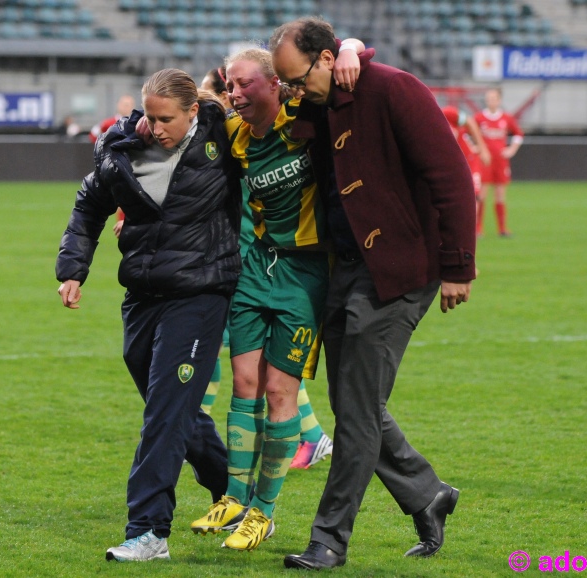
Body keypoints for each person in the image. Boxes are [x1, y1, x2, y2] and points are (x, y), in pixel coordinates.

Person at [270, 17, 476, 570]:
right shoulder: (319, 101)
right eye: (284, 82)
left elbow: (452, 176)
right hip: (349, 270)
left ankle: (329, 540)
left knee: (355, 416)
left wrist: (459, 266)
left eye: (296, 79)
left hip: (402, 269)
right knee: (355, 403)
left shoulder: (394, 88)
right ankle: (427, 493)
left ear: (324, 59)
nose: (293, 91)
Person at [56, 68, 242, 562]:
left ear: (192, 112)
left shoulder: (222, 139)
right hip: (141, 294)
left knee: (164, 412)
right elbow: (88, 204)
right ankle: (236, 493)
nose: (156, 128)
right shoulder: (124, 151)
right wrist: (73, 268)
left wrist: (349, 49)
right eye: (149, 117)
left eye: (166, 120)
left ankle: (148, 531)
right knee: (174, 409)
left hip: (201, 294)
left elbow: (265, 93)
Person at [188, 43, 363, 552]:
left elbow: (338, 68)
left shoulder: (304, 119)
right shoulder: (236, 135)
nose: (235, 93)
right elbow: (183, 107)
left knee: (280, 394)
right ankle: (235, 499)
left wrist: (350, 46)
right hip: (254, 269)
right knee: (244, 384)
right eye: (231, 85)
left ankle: (264, 513)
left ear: (274, 83)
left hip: (304, 275)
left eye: (244, 84)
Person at [474, 87, 523, 237]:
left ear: (499, 100)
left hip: (500, 162)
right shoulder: (479, 118)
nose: (491, 101)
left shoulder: (506, 118)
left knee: (500, 194)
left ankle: (502, 228)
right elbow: (468, 133)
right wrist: (476, 148)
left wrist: (511, 150)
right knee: (481, 194)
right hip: (484, 161)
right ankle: (478, 228)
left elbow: (518, 134)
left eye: (494, 98)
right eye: (488, 98)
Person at [442, 105, 491, 216]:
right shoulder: (423, 125)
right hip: (453, 166)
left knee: (474, 196)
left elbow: (469, 122)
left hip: (470, 161)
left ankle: (471, 231)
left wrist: (483, 148)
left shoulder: (447, 113)